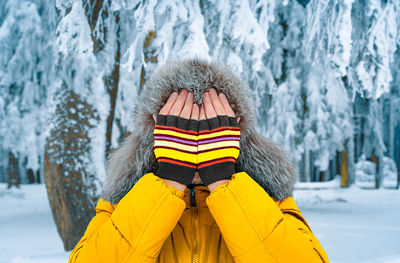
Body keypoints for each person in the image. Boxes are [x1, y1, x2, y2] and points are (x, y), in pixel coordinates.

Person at [68, 60, 329, 263]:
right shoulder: (122, 201)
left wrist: (223, 182)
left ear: (236, 132)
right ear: (156, 131)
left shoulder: (269, 199)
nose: (195, 140)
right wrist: (169, 181)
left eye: (212, 126)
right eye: (180, 126)